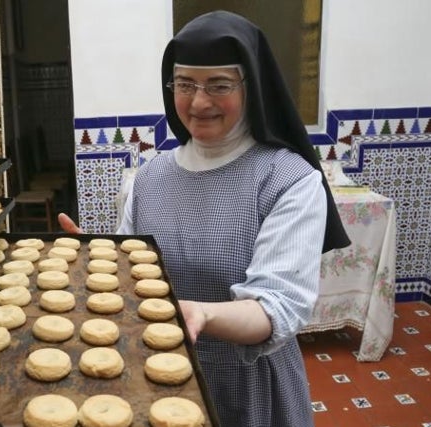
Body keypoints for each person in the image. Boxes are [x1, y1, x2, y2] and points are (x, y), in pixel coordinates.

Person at [60, 10, 350, 427]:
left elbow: (279, 307)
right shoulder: (150, 176)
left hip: (246, 385)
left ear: (252, 87)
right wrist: (91, 258)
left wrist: (202, 314)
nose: (198, 102)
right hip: (153, 375)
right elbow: (130, 273)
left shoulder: (288, 180)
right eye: (185, 84)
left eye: (219, 85)